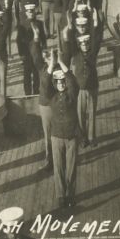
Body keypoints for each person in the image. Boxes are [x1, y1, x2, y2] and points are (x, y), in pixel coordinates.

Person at [45, 48, 81, 209]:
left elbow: (73, 81)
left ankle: (70, 195)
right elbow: (45, 82)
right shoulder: (50, 95)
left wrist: (60, 62)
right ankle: (61, 196)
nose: (60, 84)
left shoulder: (72, 94)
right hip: (56, 136)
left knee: (71, 168)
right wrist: (52, 64)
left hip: (72, 135)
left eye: (62, 81)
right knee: (58, 167)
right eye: (58, 82)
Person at [65, 32, 102, 148]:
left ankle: (91, 138)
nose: (85, 46)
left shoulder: (92, 53)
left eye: (86, 44)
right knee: (80, 114)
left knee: (92, 113)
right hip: (80, 89)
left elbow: (97, 39)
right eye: (82, 44)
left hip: (92, 88)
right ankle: (83, 138)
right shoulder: (76, 54)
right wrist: (69, 28)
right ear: (79, 45)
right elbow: (70, 43)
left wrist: (97, 23)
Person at [16, 2, 46, 96]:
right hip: (27, 53)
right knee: (27, 73)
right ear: (26, 13)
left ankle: (36, 91)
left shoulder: (39, 23)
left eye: (32, 12)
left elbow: (43, 37)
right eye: (29, 12)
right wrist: (21, 54)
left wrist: (44, 49)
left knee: (36, 72)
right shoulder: (22, 25)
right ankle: (28, 93)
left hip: (37, 52)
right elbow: (18, 40)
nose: (31, 13)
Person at [37, 50, 54, 173]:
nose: (48, 58)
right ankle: (50, 159)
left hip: (52, 106)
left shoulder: (56, 70)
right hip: (45, 106)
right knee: (48, 134)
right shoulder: (43, 69)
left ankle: (54, 159)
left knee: (52, 134)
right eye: (47, 56)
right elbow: (35, 54)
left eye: (50, 57)